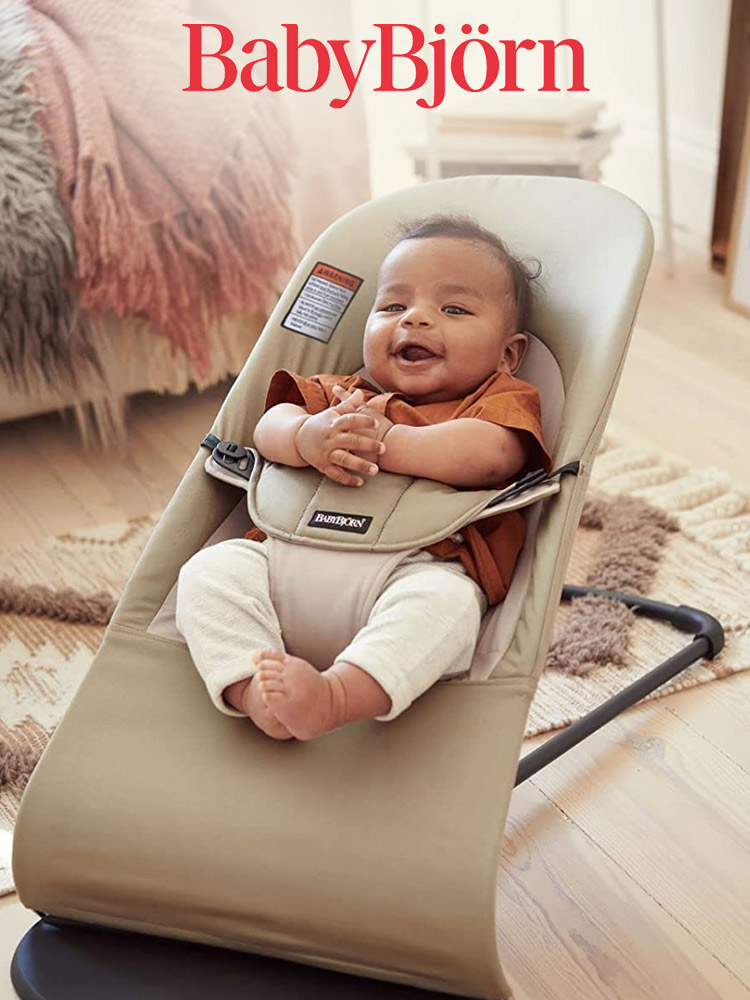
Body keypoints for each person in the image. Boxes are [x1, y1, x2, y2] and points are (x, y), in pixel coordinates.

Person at [175, 214, 551, 741]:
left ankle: (337, 696)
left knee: (446, 609)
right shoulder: (338, 393)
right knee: (209, 573)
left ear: (508, 354)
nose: (415, 319)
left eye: (454, 308)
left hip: (414, 569)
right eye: (394, 306)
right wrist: (307, 436)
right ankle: (253, 688)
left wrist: (388, 442)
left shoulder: (496, 402)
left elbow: (493, 457)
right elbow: (269, 428)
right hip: (283, 561)